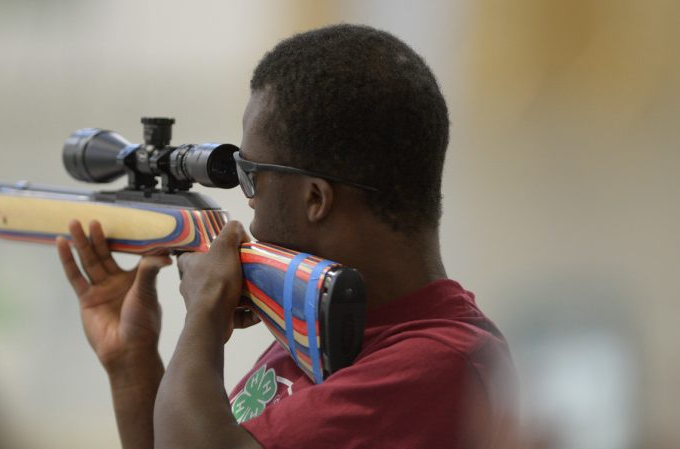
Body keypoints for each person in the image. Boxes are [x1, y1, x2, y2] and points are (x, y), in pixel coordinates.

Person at [56, 24, 516, 449]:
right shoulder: (327, 333)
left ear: (315, 198)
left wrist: (207, 309)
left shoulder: (439, 364)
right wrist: (131, 364)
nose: (248, 199)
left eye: (251, 174)